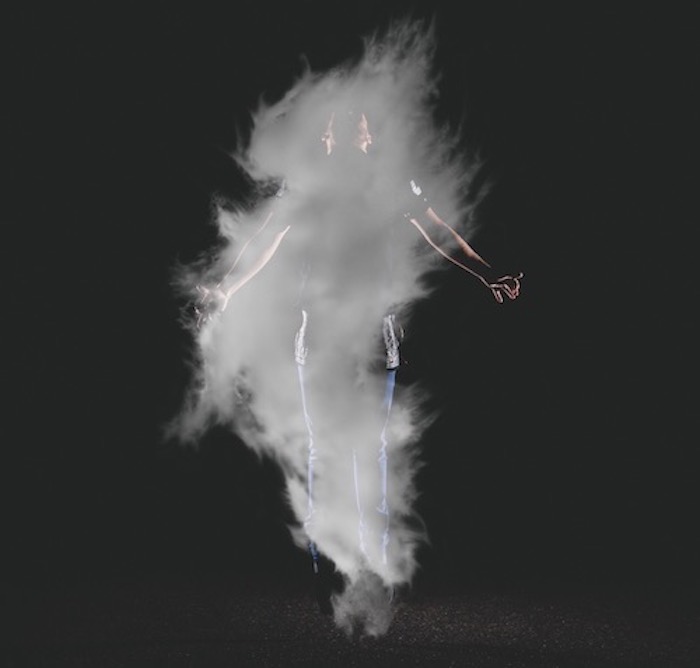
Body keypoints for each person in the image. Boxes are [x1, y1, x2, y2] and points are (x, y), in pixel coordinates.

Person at [193, 109, 522, 606]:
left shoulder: (390, 184)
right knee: (321, 447)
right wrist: (226, 288)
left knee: (372, 448)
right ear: (327, 138)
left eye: (358, 126)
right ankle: (325, 561)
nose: (346, 134)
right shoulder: (306, 185)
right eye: (336, 128)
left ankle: (373, 561)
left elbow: (441, 233)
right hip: (322, 339)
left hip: (374, 337)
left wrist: (485, 271)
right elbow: (264, 240)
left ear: (368, 137)